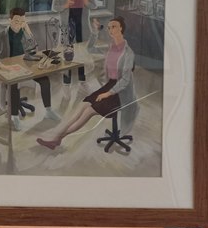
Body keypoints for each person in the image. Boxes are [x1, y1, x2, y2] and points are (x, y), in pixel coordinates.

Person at [36, 16, 138, 150]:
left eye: (114, 26)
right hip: (110, 86)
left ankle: (56, 138)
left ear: (121, 28)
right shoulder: (111, 47)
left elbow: (125, 80)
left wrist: (107, 94)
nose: (110, 30)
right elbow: (90, 48)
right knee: (83, 105)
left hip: (121, 93)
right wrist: (95, 31)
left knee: (88, 111)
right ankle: (56, 137)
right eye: (109, 28)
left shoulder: (128, 53)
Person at [0, 7, 61, 131]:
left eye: (22, 21)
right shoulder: (3, 35)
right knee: (14, 84)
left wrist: (28, 29)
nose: (19, 24)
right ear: (10, 20)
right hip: (10, 68)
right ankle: (15, 117)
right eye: (16, 21)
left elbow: (34, 47)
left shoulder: (23, 31)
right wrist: (2, 65)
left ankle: (48, 111)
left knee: (45, 80)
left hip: (25, 65)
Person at [52, 0, 97, 87]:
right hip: (67, 24)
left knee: (81, 53)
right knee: (67, 53)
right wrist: (65, 5)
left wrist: (86, 1)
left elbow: (93, 5)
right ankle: (66, 83)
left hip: (81, 24)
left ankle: (83, 81)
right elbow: (54, 7)